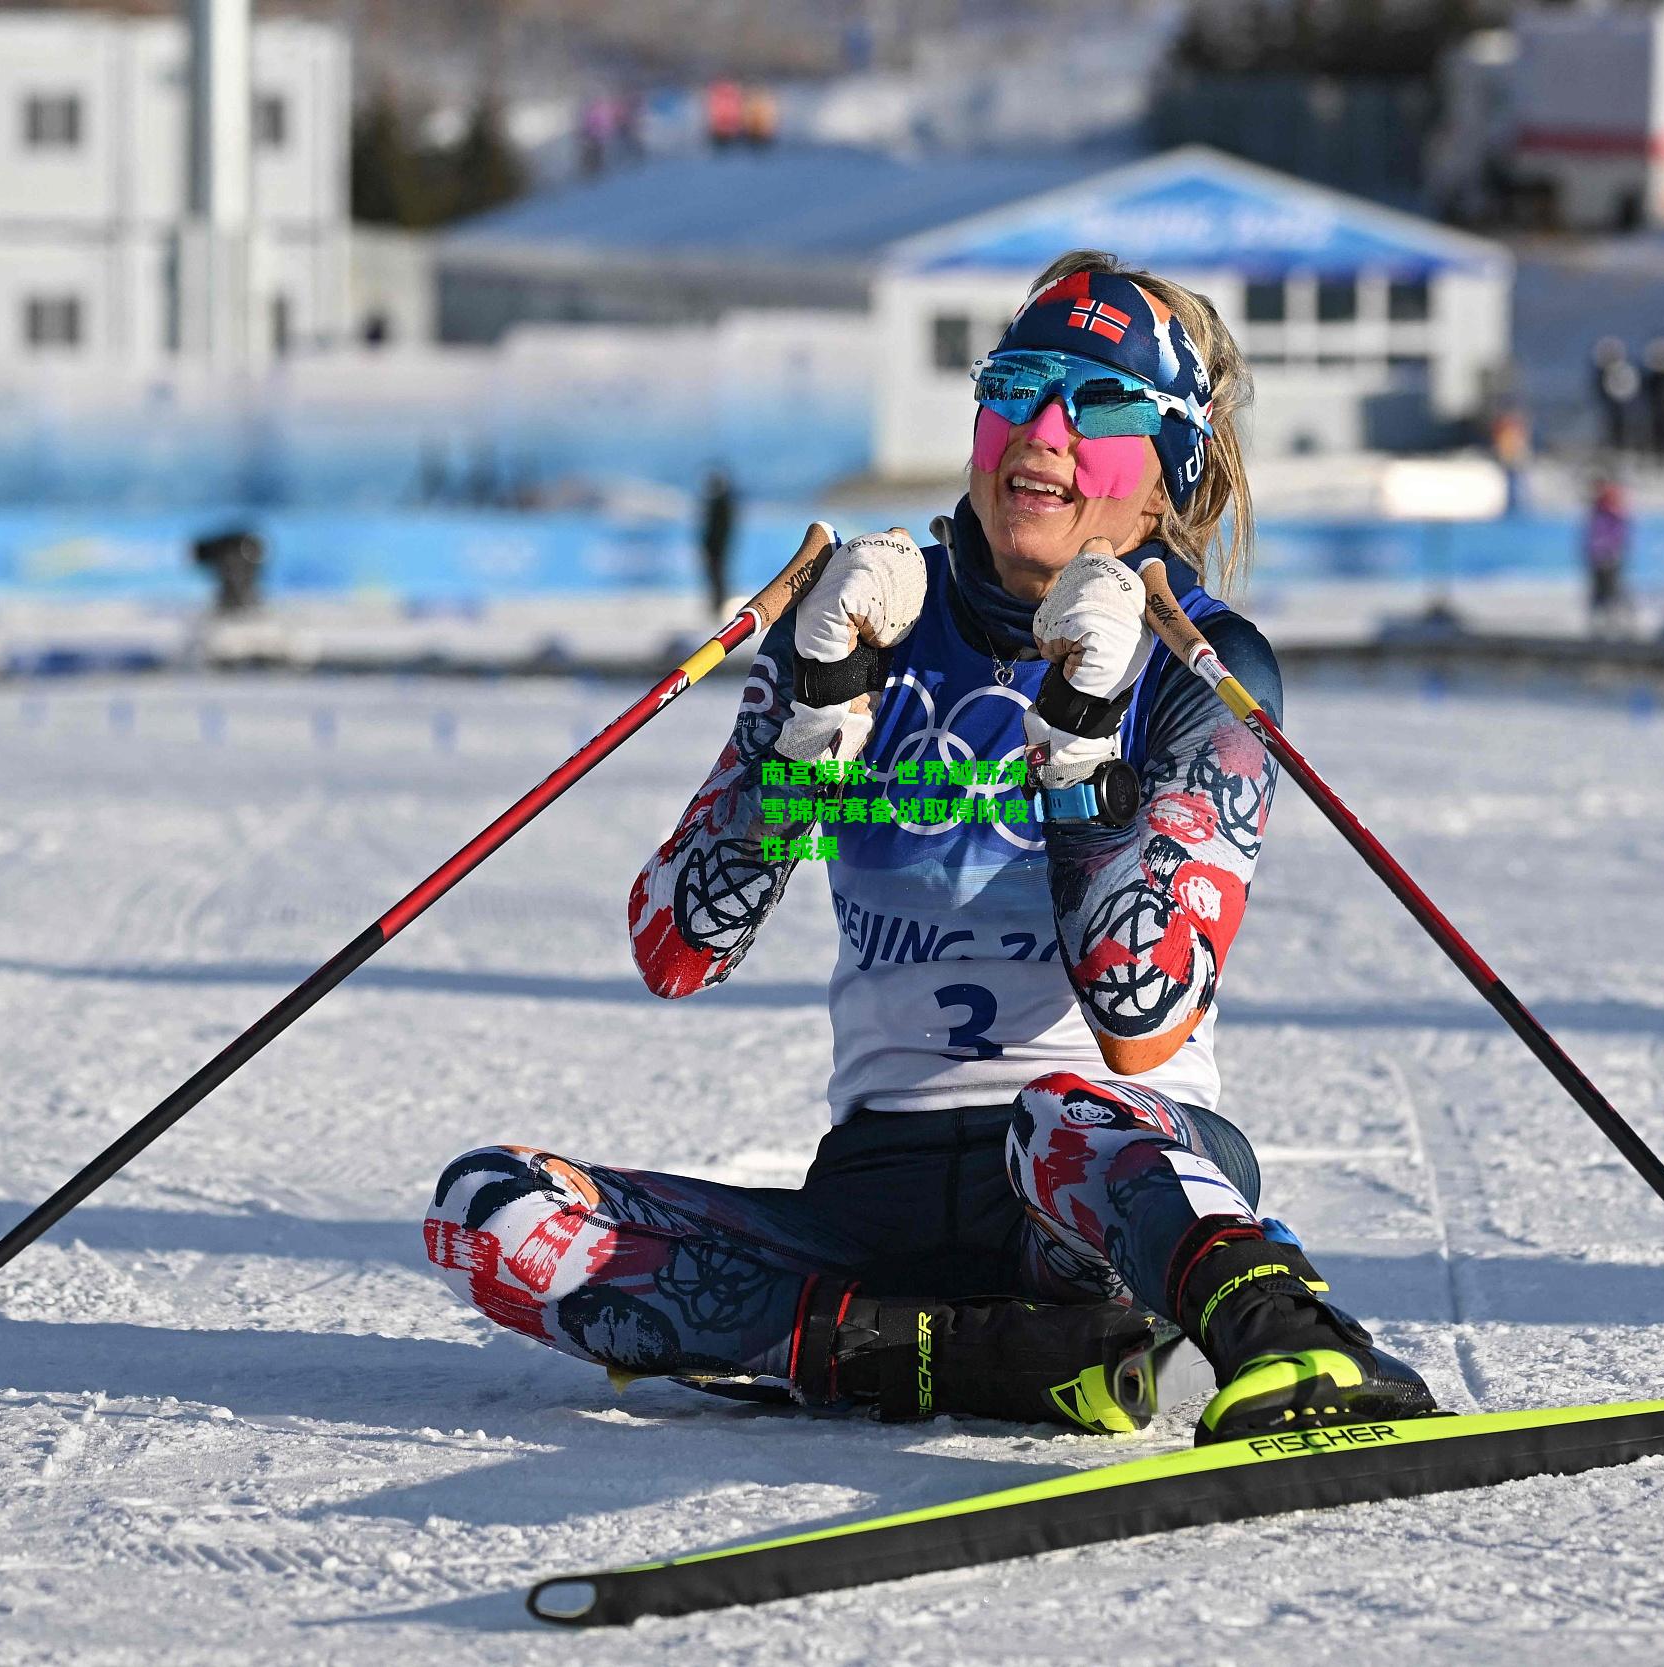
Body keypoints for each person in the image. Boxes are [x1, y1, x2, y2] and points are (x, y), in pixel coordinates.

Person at [424, 252, 1437, 1445]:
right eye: (1017, 385)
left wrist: (1075, 750)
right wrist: (806, 729)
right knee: (485, 1209)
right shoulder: (862, 620)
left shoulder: (1202, 662)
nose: (1043, 430)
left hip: (1096, 1184)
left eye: (1101, 402)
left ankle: (1288, 1342)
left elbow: (1140, 1012)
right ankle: (969, 1357)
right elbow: (674, 949)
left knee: (1067, 1107)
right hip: (878, 1190)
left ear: (1172, 469)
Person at [1582, 472, 1632, 637]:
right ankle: (1600, 622)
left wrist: (1611, 550)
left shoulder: (1613, 510)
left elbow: (1617, 534)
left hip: (1609, 556)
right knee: (1599, 590)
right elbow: (1592, 533)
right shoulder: (1597, 509)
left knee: (1612, 589)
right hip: (1598, 556)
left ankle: (1618, 620)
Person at [698, 465, 738, 619]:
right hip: (715, 547)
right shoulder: (719, 503)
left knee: (718, 579)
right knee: (715, 579)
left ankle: (720, 607)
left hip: (717, 548)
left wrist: (714, 546)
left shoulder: (721, 504)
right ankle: (717, 607)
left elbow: (720, 529)